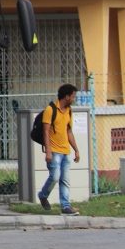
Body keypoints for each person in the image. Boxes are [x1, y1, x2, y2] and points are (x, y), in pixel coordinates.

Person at [37, 83, 81, 215]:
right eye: (73, 96)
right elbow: (45, 132)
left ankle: (66, 207)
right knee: (55, 176)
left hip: (65, 152)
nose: (74, 99)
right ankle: (43, 195)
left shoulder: (69, 111)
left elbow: (69, 132)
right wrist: (48, 151)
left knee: (65, 180)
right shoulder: (50, 110)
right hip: (54, 152)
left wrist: (76, 150)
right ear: (66, 96)